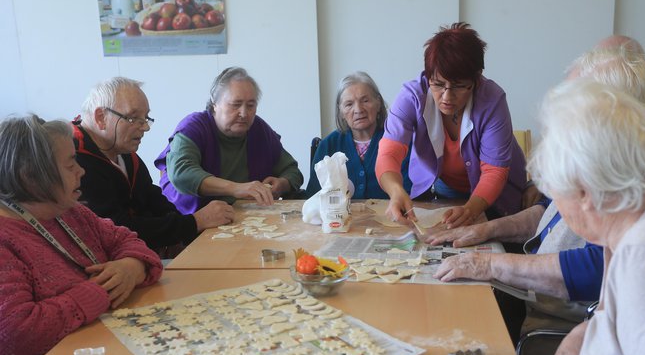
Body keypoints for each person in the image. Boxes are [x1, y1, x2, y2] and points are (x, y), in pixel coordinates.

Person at [427, 39, 645, 337]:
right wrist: (485, 230)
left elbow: (600, 265)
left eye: (574, 102)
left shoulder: (630, 181)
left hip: (553, 320)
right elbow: (549, 212)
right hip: (540, 301)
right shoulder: (597, 161)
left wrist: (492, 265)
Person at [533, 80, 645, 355]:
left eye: (555, 193)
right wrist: (586, 335)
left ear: (584, 192)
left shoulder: (644, 255)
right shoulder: (631, 231)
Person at [0, 115, 163, 355]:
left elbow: (128, 242)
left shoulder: (70, 212)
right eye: (70, 164)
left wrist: (130, 267)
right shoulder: (6, 239)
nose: (82, 171)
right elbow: (14, 337)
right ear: (29, 176)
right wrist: (98, 292)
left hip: (103, 351)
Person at [376, 22, 527, 229]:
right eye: (438, 84)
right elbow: (388, 153)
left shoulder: (492, 101)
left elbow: (494, 171)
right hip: (446, 187)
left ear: (476, 79)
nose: (447, 96)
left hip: (497, 192)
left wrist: (471, 210)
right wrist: (395, 191)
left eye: (458, 86)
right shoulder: (412, 97)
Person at [73, 77, 234, 256]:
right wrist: (193, 223)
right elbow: (116, 228)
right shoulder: (74, 160)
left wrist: (186, 229)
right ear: (101, 117)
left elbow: (151, 198)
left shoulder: (123, 152)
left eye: (146, 118)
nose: (145, 128)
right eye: (134, 118)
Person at [155, 67, 304, 213]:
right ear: (215, 105)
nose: (244, 113)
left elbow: (292, 171)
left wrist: (282, 184)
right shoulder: (194, 127)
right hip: (192, 220)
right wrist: (236, 188)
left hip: (246, 217)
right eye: (235, 105)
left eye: (251, 106)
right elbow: (182, 174)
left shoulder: (259, 129)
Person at [306, 72, 412, 199]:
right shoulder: (328, 145)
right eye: (349, 104)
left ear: (378, 103)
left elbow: (411, 192)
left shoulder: (398, 140)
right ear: (340, 111)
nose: (358, 109)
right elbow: (313, 197)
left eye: (365, 100)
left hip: (390, 216)